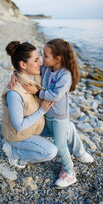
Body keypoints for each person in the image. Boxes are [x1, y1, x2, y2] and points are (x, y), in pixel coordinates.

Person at [10, 38, 94, 188]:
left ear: (58, 59)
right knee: (63, 135)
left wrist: (37, 92)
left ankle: (70, 173)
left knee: (60, 144)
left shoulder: (65, 75)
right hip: (47, 115)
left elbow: (55, 95)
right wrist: (14, 75)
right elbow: (26, 70)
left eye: (45, 56)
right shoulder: (47, 68)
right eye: (41, 55)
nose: (42, 59)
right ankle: (77, 155)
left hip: (59, 117)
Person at [1, 41, 58, 169]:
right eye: (37, 60)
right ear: (23, 64)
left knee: (66, 127)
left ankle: (77, 154)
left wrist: (15, 73)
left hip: (35, 127)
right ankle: (13, 152)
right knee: (50, 152)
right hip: (18, 135)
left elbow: (59, 70)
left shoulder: (35, 77)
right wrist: (42, 110)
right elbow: (19, 126)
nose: (41, 63)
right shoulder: (14, 93)